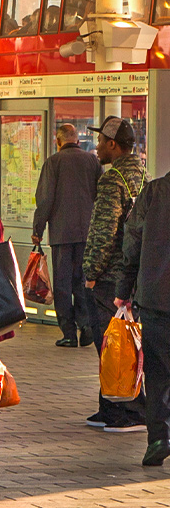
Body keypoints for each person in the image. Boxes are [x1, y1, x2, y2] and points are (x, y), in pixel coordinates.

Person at [83, 116, 147, 431]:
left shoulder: (113, 179)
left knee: (110, 343)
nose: (96, 147)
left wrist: (91, 271)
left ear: (112, 145)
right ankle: (109, 405)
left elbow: (103, 231)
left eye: (100, 142)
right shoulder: (144, 175)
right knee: (125, 341)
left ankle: (129, 410)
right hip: (135, 274)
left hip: (110, 276)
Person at [116, 157, 170, 467]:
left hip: (156, 298)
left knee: (159, 373)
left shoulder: (153, 193)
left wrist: (124, 289)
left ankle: (159, 439)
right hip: (155, 297)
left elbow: (132, 242)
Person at [32, 122, 102, 347]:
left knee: (63, 284)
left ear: (58, 141)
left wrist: (37, 229)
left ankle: (69, 333)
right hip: (87, 234)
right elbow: (101, 196)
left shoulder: (53, 163)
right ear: (77, 140)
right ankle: (87, 325)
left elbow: (45, 199)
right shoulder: (93, 161)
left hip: (62, 234)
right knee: (83, 281)